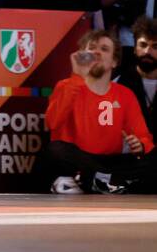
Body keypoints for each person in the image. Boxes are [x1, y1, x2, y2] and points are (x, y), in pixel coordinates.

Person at [45, 29, 156, 193]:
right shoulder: (66, 86)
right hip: (77, 159)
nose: (96, 52)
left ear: (114, 62)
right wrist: (77, 76)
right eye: (91, 48)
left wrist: (139, 145)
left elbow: (144, 138)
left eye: (104, 49)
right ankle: (107, 182)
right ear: (82, 55)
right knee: (54, 150)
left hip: (110, 161)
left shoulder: (125, 94)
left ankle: (91, 181)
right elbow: (51, 124)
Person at [116, 16, 157, 142]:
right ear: (134, 48)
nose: (147, 51)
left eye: (155, 47)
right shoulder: (119, 83)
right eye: (143, 45)